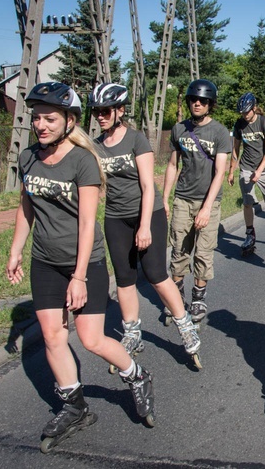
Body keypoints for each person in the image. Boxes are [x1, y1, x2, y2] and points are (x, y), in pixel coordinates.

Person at [6, 82, 154, 441]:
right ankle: (75, 407)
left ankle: (136, 375)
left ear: (69, 121)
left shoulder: (82, 161)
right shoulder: (28, 158)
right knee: (52, 335)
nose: (41, 125)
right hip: (44, 260)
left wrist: (79, 276)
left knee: (91, 339)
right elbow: (27, 208)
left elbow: (88, 222)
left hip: (85, 263)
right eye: (37, 118)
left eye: (50, 119)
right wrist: (15, 250)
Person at [89, 83, 201, 368]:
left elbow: (147, 185)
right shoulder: (96, 145)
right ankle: (131, 332)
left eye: (105, 111)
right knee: (124, 279)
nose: (100, 116)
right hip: (115, 217)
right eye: (96, 111)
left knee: (155, 274)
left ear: (120, 111)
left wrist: (145, 226)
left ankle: (185, 326)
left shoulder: (137, 140)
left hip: (148, 214)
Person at [163, 79, 231, 322]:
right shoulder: (179, 129)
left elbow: (220, 172)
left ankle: (199, 299)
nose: (197, 104)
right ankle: (177, 298)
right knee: (179, 250)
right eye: (194, 100)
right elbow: (172, 165)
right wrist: (164, 199)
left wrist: (206, 208)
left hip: (208, 202)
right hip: (182, 199)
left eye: (203, 101)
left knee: (203, 253)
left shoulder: (220, 132)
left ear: (210, 104)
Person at [227, 92, 265, 254]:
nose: (245, 115)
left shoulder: (264, 122)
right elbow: (235, 149)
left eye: (247, 111)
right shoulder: (239, 124)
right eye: (242, 112)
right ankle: (250, 233)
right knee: (247, 202)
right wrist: (231, 171)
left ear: (254, 108)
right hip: (247, 167)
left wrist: (260, 170)